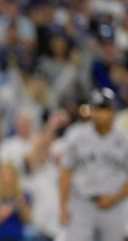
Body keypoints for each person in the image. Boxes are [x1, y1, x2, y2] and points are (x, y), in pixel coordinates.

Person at [59, 87, 128, 241]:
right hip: (82, 203)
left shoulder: (124, 141)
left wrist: (116, 197)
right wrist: (63, 205)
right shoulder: (76, 136)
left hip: (114, 206)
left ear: (112, 111)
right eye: (95, 109)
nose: (98, 114)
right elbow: (65, 172)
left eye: (103, 109)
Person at [0, 162, 32, 241]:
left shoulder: (23, 195)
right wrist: (2, 213)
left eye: (10, 175)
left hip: (17, 237)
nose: (7, 179)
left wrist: (21, 205)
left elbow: (27, 220)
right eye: (4, 175)